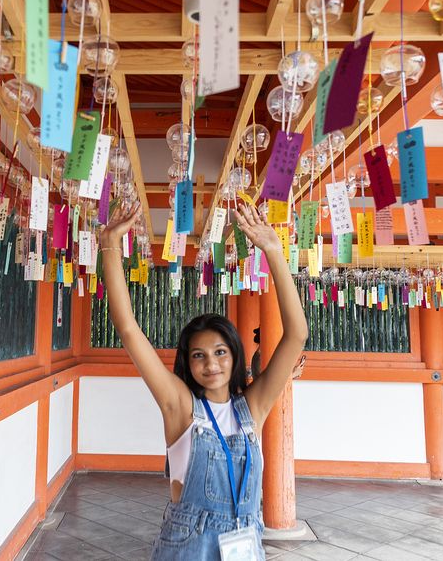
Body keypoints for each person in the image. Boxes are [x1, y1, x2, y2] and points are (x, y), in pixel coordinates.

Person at [100, 200, 308, 560]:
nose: (211, 364)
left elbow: (296, 336)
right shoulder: (180, 406)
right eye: (199, 355)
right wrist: (109, 243)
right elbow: (129, 328)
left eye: (220, 352)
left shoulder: (252, 409)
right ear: (188, 362)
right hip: (189, 546)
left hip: (244, 540)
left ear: (234, 355)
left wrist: (274, 250)